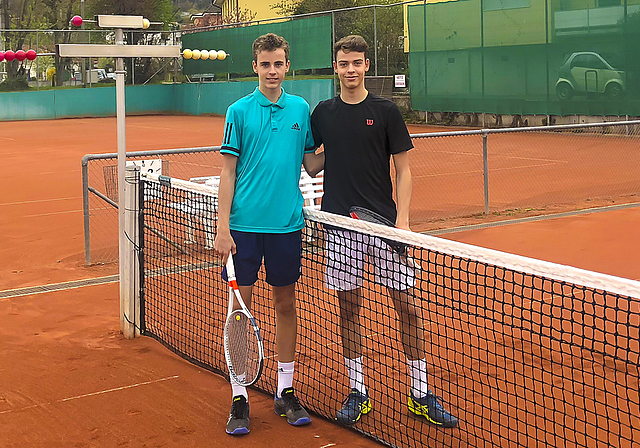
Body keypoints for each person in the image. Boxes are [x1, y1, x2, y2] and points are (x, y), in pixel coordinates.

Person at [303, 35, 458, 428]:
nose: (350, 69)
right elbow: (312, 167)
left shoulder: (386, 111)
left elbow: (404, 171)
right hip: (339, 226)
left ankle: (420, 394)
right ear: (334, 67)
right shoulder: (322, 113)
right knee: (349, 309)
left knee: (406, 307)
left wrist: (402, 223)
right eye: (343, 63)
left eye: (356, 62)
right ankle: (358, 390)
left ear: (366, 65)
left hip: (386, 227)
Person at [214, 32, 315, 436]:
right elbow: (227, 171)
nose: (272, 71)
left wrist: (349, 143)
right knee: (241, 312)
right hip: (242, 229)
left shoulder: (300, 109)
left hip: (287, 226)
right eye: (265, 64)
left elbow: (310, 161)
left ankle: (285, 390)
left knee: (286, 304)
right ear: (254, 66)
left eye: (278, 63)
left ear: (287, 66)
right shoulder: (238, 111)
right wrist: (222, 226)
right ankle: (239, 395)